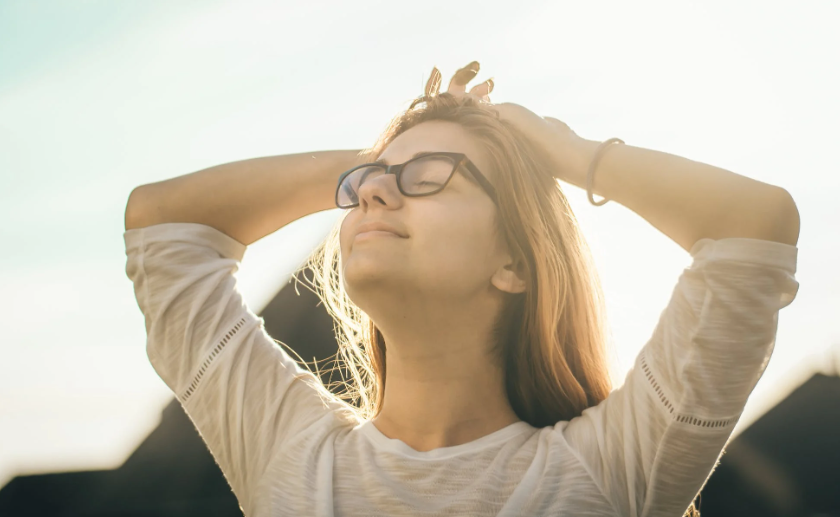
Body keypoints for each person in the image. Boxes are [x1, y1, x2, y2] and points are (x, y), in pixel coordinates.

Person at [123, 61, 800, 516]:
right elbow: (162, 223)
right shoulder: (287, 450)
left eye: (431, 175)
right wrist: (380, 156)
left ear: (516, 263)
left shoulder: (608, 467)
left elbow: (753, 226)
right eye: (367, 186)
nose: (376, 193)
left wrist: (564, 151)